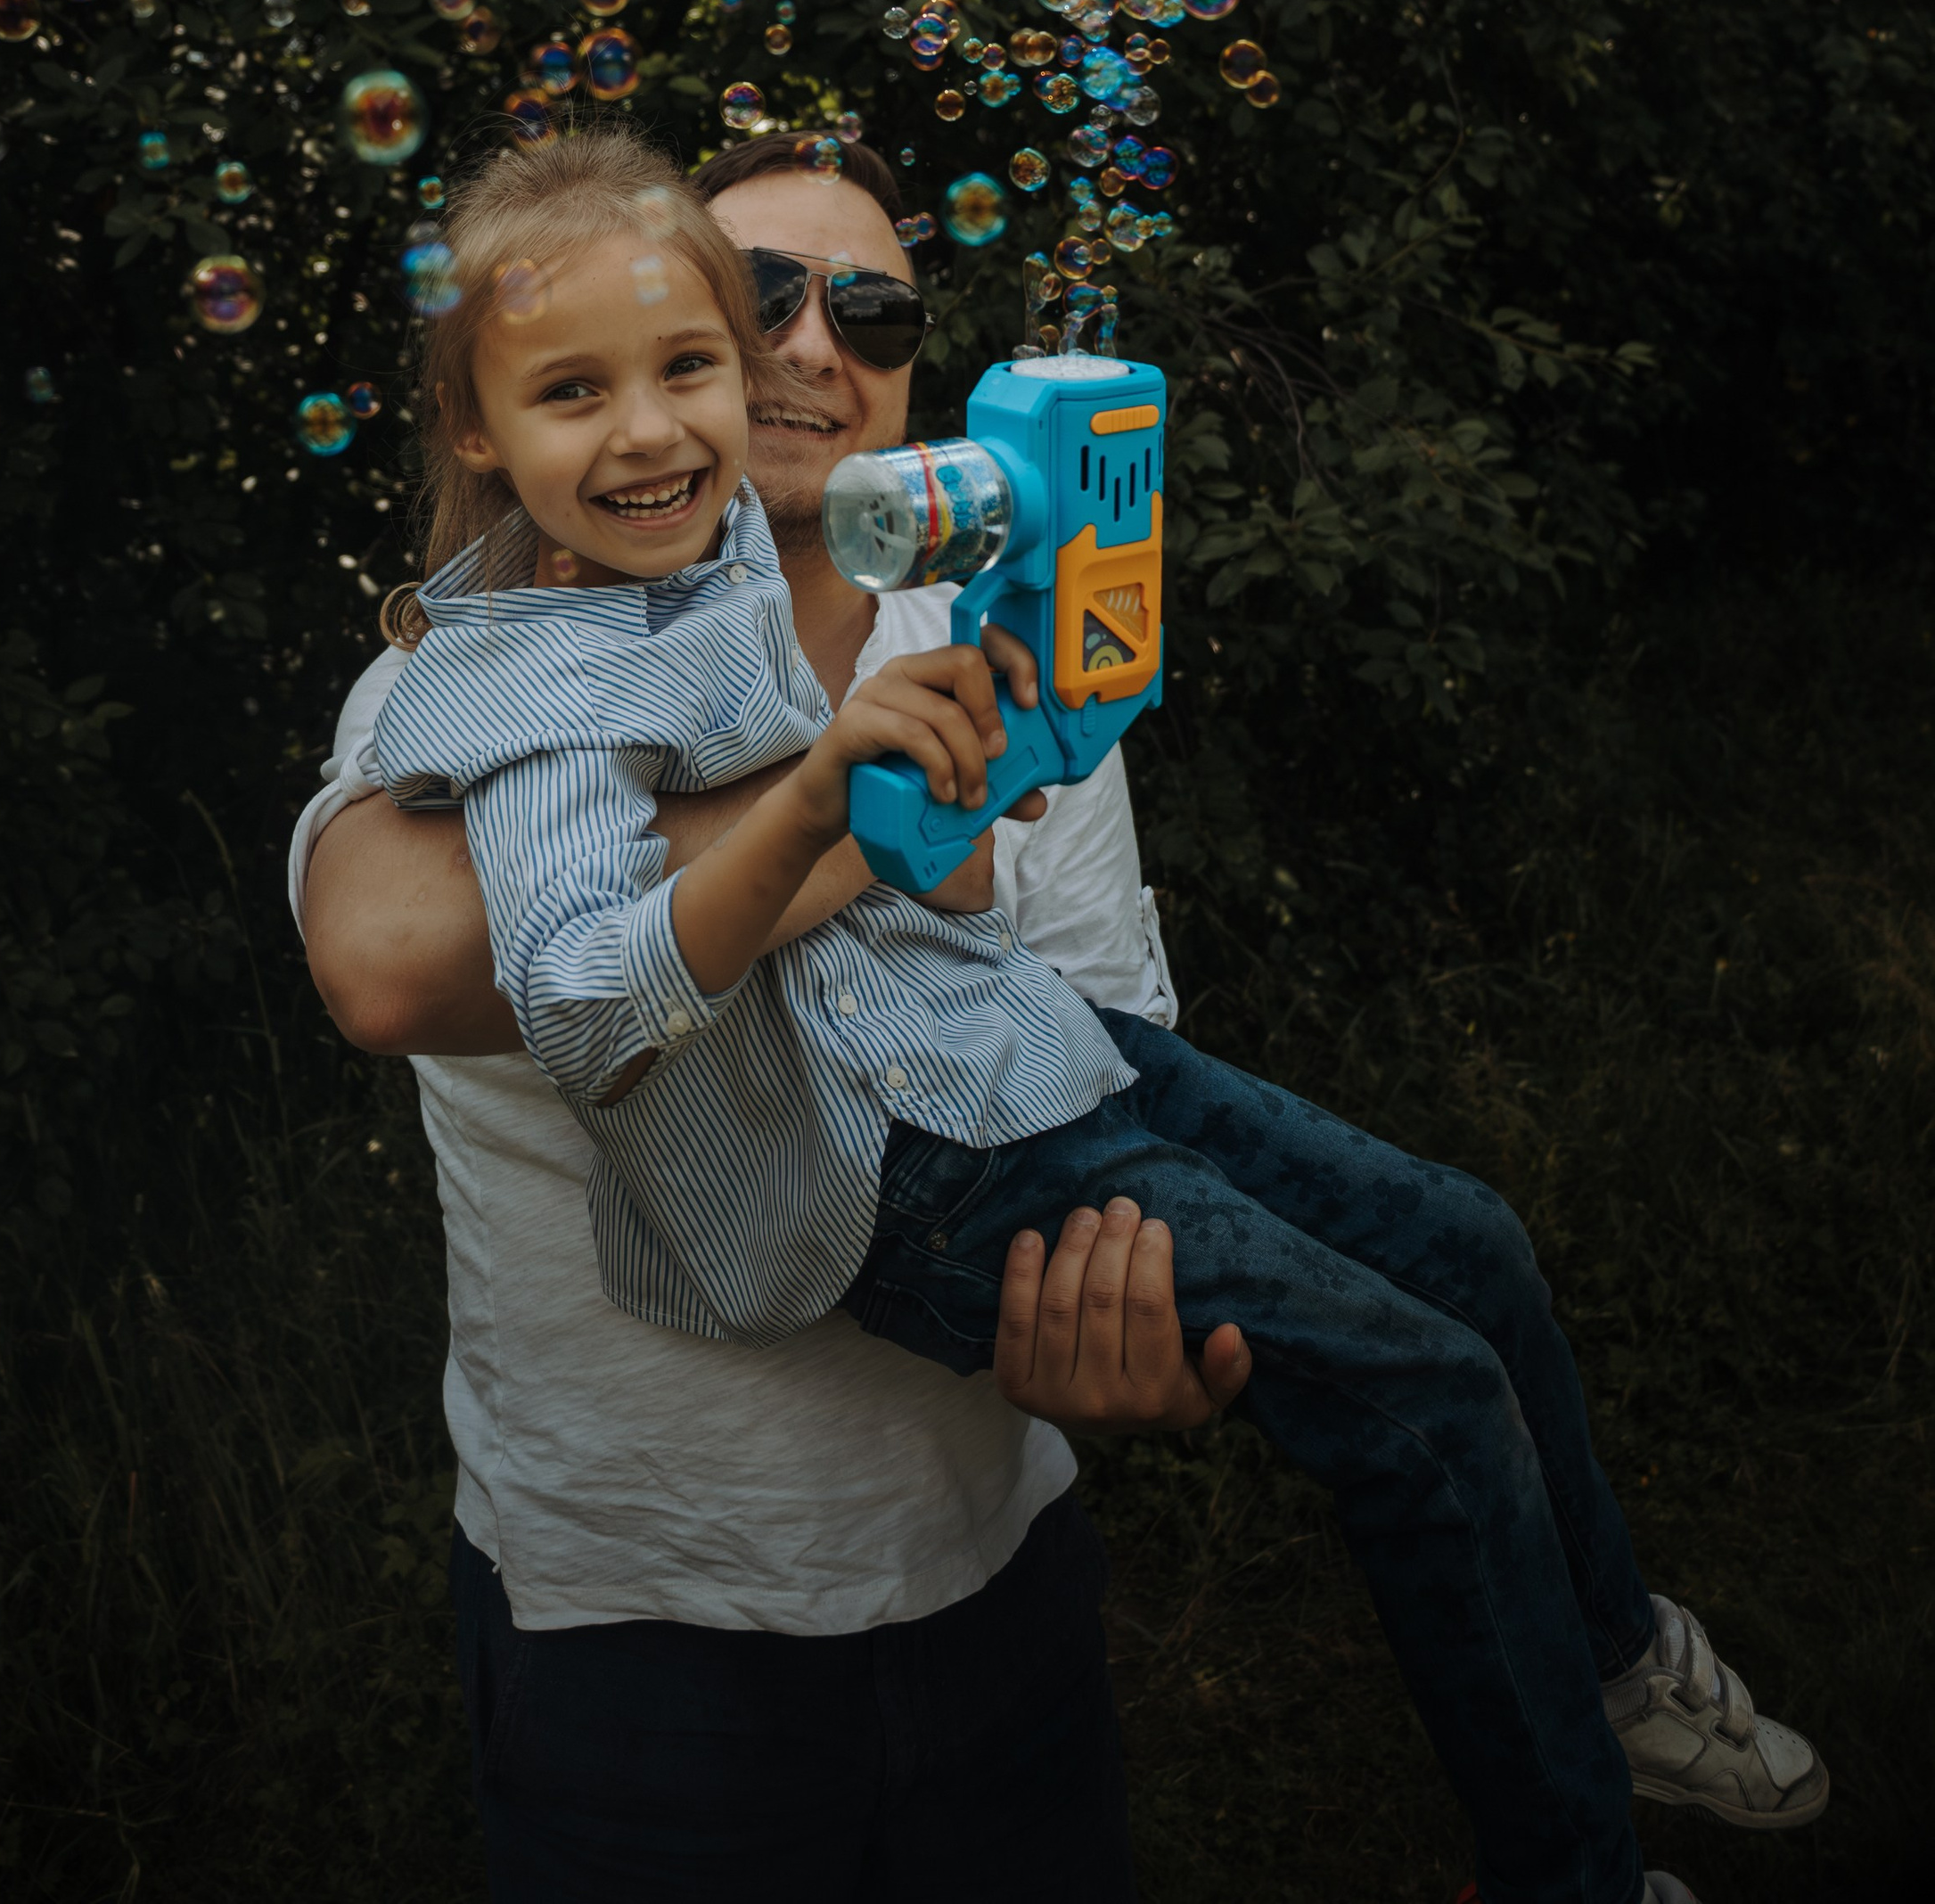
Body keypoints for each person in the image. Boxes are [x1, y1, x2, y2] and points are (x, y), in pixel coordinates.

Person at [299, 130, 1824, 1904]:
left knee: (1463, 1243)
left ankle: (1614, 1659)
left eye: (864, 313)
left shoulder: (956, 626)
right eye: (756, 293)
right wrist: (846, 814)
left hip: (986, 1570)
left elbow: (1053, 974)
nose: (808, 344)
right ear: (507, 416)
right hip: (645, 1615)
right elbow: (394, 964)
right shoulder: (480, 668)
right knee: (1422, 1392)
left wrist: (970, 757)